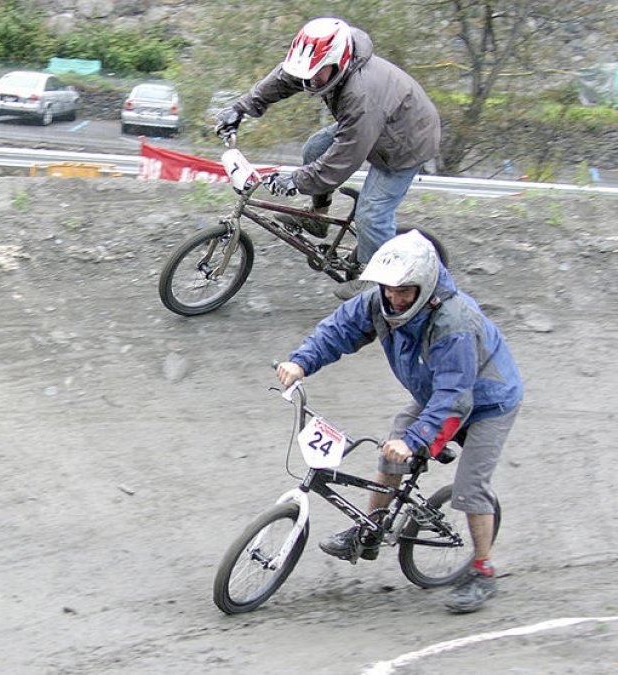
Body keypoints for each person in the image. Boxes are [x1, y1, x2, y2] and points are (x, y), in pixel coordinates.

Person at [275, 231, 522, 614]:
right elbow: (339, 329)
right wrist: (301, 361)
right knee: (391, 454)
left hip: (488, 403)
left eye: (404, 290)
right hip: (436, 395)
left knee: (470, 489)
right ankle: (370, 531)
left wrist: (417, 439)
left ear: (424, 286)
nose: (394, 297)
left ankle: (482, 569)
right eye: (388, 289)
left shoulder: (454, 321)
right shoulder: (381, 301)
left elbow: (455, 397)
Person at [213, 17, 441, 299]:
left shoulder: (362, 94)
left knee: (371, 213)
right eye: (306, 74)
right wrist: (240, 109)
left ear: (339, 62)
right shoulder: (325, 63)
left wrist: (296, 180)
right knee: (314, 150)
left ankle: (378, 279)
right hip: (377, 124)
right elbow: (284, 79)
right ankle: (319, 218)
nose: (309, 82)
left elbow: (344, 158)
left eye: (316, 75)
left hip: (406, 141)